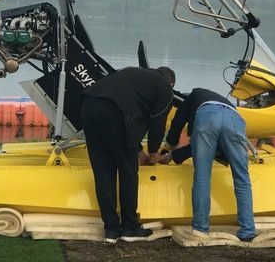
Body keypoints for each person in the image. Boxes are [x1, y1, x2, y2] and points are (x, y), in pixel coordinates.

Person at [80, 66, 175, 243]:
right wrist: (153, 151)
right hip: (115, 112)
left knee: (103, 171)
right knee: (128, 171)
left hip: (88, 105)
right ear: (171, 83)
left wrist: (138, 150)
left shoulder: (135, 74)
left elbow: (130, 111)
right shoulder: (165, 88)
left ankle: (111, 229)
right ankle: (130, 227)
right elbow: (158, 122)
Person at [165, 87, 256, 242]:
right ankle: (248, 230)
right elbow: (205, 147)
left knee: (202, 179)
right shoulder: (218, 100)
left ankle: (200, 229)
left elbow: (179, 120)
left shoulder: (194, 94)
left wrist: (170, 145)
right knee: (242, 179)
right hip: (234, 119)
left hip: (207, 117)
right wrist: (174, 156)